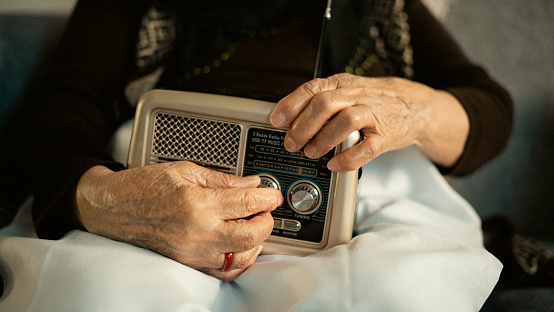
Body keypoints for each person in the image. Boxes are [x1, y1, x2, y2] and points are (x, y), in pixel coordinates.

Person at [0, 0, 512, 286]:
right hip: (166, 200)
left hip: (367, 200)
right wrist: (113, 204)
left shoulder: (384, 8)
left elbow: (491, 109)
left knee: (399, 288)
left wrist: (414, 108)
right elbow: (55, 119)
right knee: (106, 292)